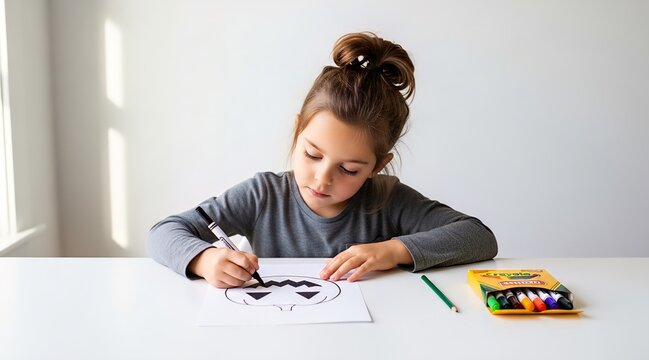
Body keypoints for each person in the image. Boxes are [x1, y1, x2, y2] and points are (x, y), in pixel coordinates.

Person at [147, 32, 497, 288]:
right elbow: (164, 232)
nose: (321, 178)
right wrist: (204, 259)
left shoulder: (387, 198)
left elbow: (479, 237)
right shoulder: (262, 195)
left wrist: (392, 250)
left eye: (349, 169)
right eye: (312, 154)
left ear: (377, 165)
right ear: (298, 131)